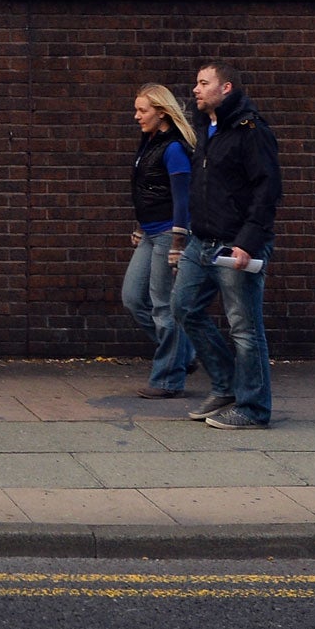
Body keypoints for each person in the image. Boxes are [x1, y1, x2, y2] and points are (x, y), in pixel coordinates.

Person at [170, 63, 282, 429]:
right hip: (201, 242)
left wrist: (249, 241)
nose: (196, 89)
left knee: (245, 329)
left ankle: (253, 408)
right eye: (196, 82)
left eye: (204, 83)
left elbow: (267, 190)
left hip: (235, 245)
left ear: (227, 87)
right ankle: (227, 385)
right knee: (184, 307)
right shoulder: (208, 127)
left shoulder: (251, 131)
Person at [123, 83, 197, 399]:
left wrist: (179, 242)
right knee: (133, 298)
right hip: (150, 233)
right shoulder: (148, 143)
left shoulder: (174, 149)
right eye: (137, 109)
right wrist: (141, 225)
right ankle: (184, 354)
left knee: (163, 306)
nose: (137, 116)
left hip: (169, 233)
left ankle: (168, 379)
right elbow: (147, 191)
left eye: (143, 110)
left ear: (162, 112)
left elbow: (182, 199)